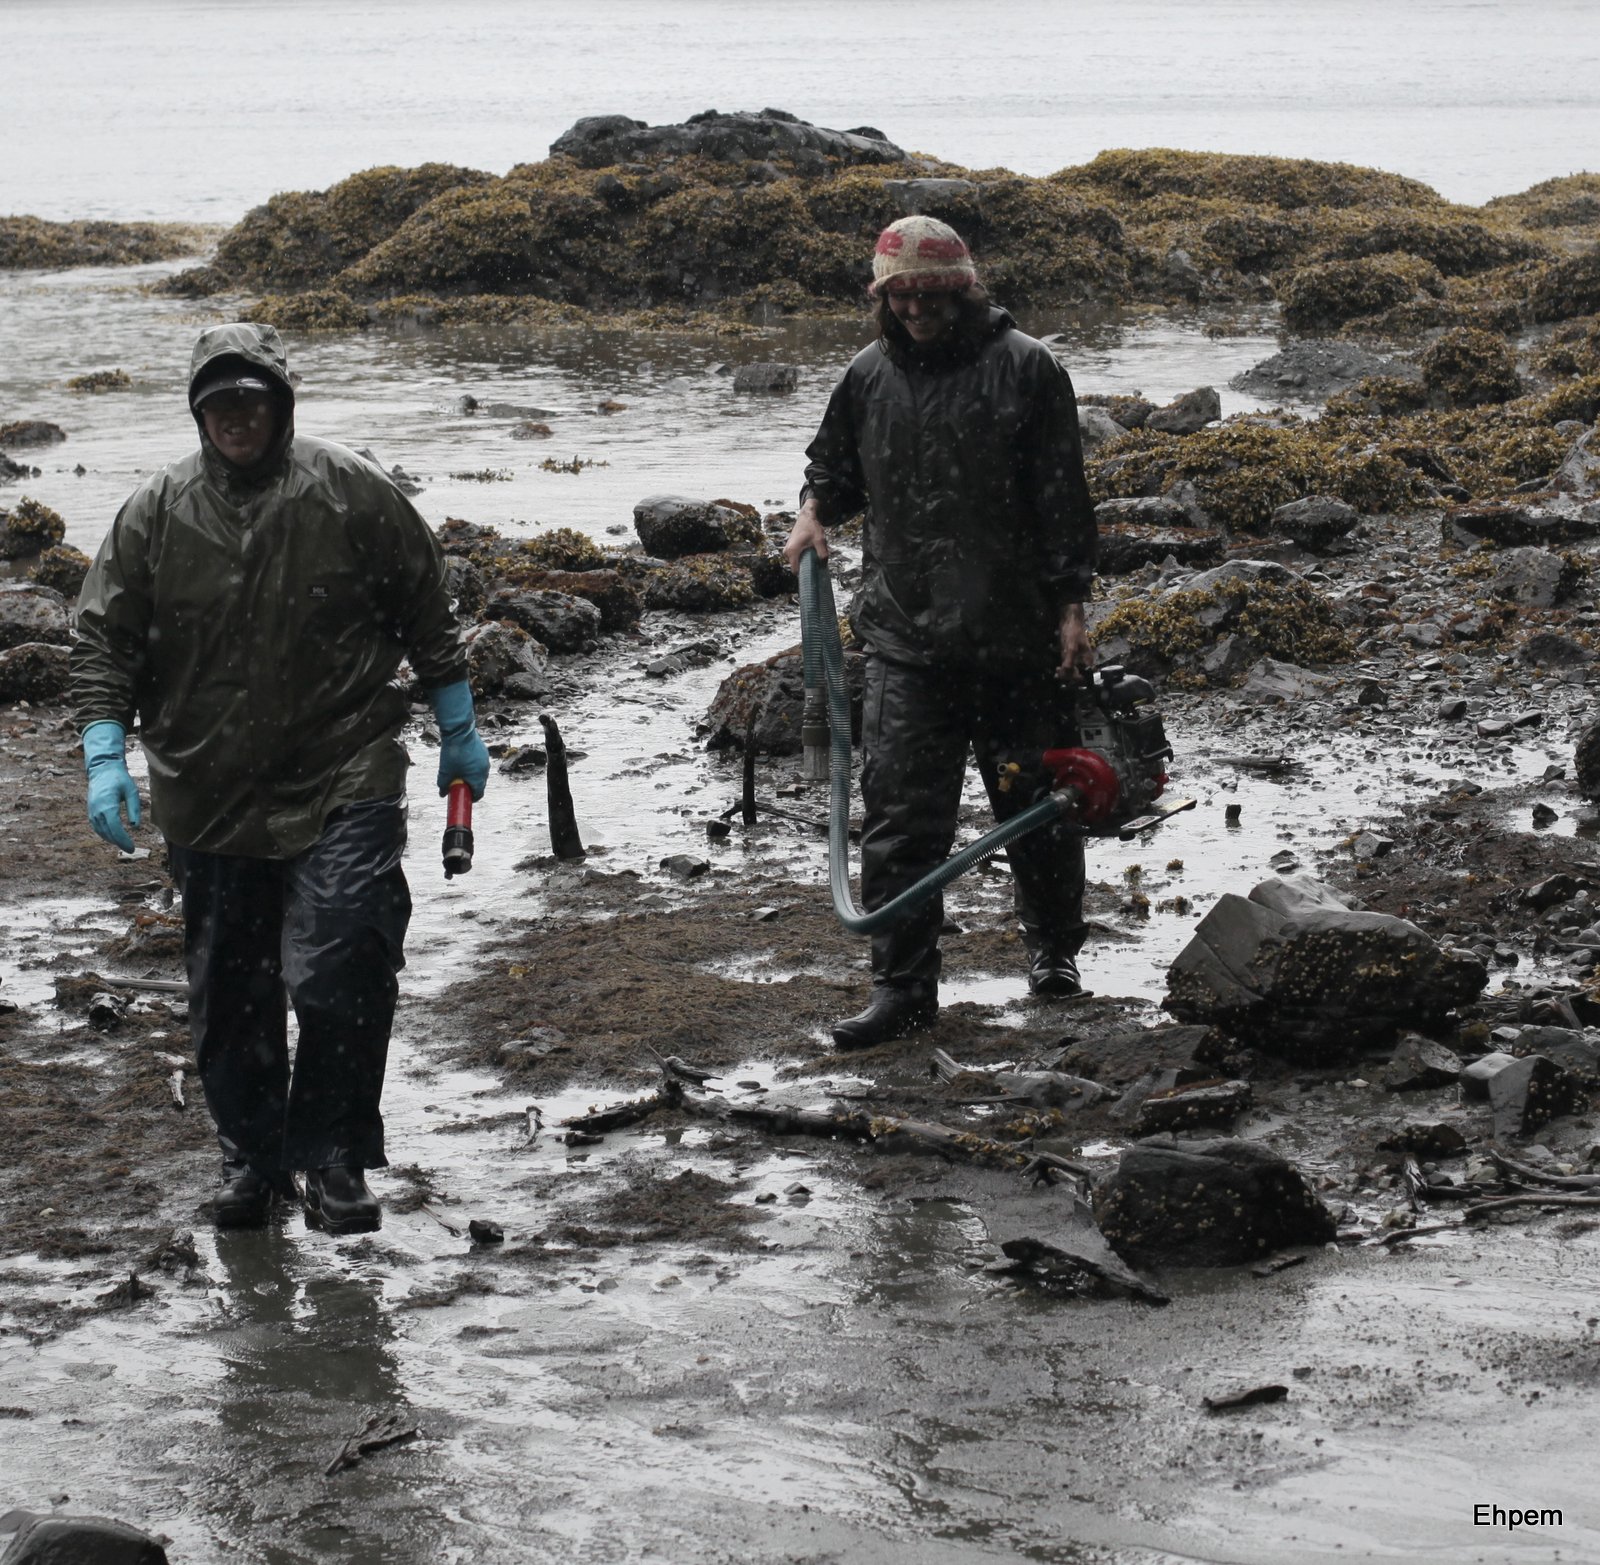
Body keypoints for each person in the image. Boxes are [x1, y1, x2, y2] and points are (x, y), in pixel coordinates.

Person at [70, 322, 490, 1233]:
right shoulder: (154, 513)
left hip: (344, 766)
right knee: (232, 990)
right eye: (217, 402)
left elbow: (427, 606)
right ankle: (253, 1160)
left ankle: (335, 1157)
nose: (235, 416)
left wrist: (458, 726)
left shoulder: (351, 491)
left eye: (250, 399)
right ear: (197, 413)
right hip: (206, 786)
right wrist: (105, 751)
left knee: (344, 958)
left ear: (281, 405)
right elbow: (103, 640)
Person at [784, 216, 1097, 1050]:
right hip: (905, 640)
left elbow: (1063, 499)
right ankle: (903, 989)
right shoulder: (866, 375)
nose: (917, 310)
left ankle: (1054, 953)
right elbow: (831, 469)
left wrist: (1072, 608)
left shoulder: (1027, 367)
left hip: (1015, 639)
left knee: (1035, 807)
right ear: (882, 297)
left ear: (963, 291)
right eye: (902, 297)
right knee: (900, 820)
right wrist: (813, 515)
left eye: (932, 295)